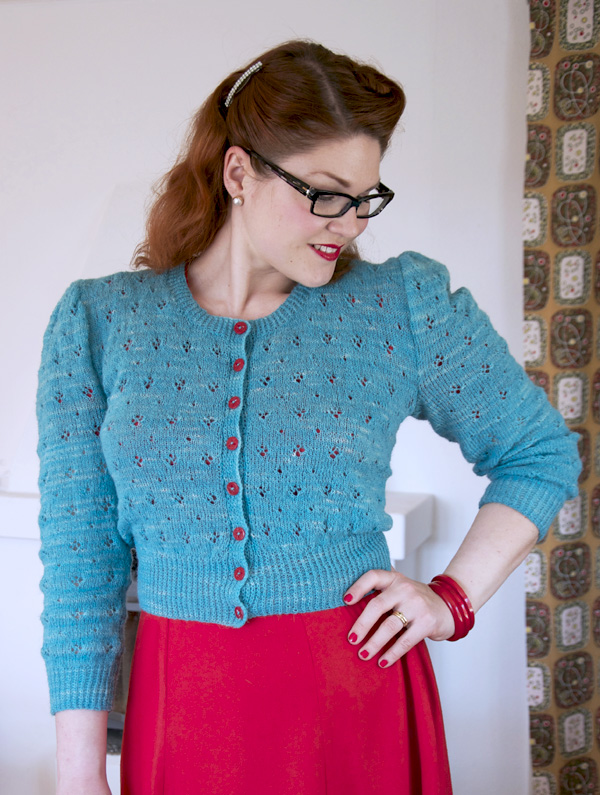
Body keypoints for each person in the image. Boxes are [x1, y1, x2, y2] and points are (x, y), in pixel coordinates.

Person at [35, 39, 581, 795]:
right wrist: (78, 775)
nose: (349, 223)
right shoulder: (99, 324)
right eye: (326, 193)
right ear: (239, 173)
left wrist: (450, 599)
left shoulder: (399, 306)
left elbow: (540, 452)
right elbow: (81, 564)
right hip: (183, 713)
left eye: (366, 197)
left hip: (352, 700)